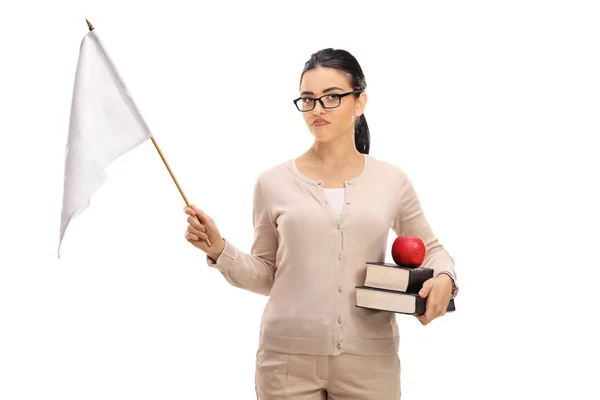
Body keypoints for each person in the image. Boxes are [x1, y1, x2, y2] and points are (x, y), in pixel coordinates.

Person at [183, 48, 458, 400]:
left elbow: (432, 250)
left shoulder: (391, 180)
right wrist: (219, 250)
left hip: (371, 360)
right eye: (309, 100)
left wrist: (446, 278)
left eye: (332, 98)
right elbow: (269, 274)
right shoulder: (272, 183)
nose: (317, 110)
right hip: (286, 361)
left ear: (360, 102)